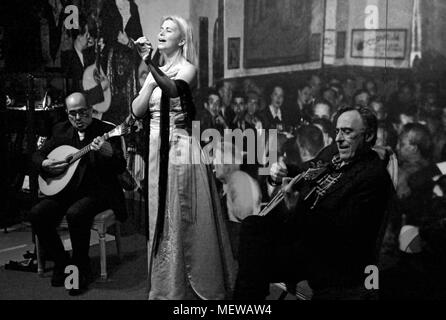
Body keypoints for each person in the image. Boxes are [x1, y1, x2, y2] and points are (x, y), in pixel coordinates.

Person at [234, 105, 393, 300]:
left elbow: (341, 235)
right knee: (252, 227)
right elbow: (308, 168)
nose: (338, 138)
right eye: (337, 131)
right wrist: (286, 170)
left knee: (253, 251)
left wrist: (297, 208)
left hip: (328, 256)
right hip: (303, 234)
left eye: (347, 132)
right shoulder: (334, 151)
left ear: (368, 136)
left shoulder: (373, 178)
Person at [131, 15, 236, 300]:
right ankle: (165, 284)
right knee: (159, 213)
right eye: (161, 28)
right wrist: (151, 77)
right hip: (156, 148)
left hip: (179, 147)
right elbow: (137, 110)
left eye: (169, 29)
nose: (162, 32)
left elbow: (174, 89)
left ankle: (189, 285)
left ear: (182, 39)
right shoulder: (156, 71)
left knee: (182, 213)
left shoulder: (187, 68)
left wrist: (150, 66)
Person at [30, 92, 127, 296]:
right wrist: (45, 163)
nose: (78, 118)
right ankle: (62, 262)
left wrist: (109, 153)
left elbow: (120, 167)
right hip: (66, 190)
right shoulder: (60, 130)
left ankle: (79, 271)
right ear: (67, 113)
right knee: (38, 214)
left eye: (83, 112)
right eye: (72, 114)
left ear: (91, 110)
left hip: (98, 191)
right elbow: (37, 156)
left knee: (76, 214)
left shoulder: (107, 131)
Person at [61, 15, 109, 113]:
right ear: (78, 36)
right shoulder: (68, 59)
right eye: (86, 34)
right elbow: (75, 95)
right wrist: (101, 88)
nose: (89, 37)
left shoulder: (88, 57)